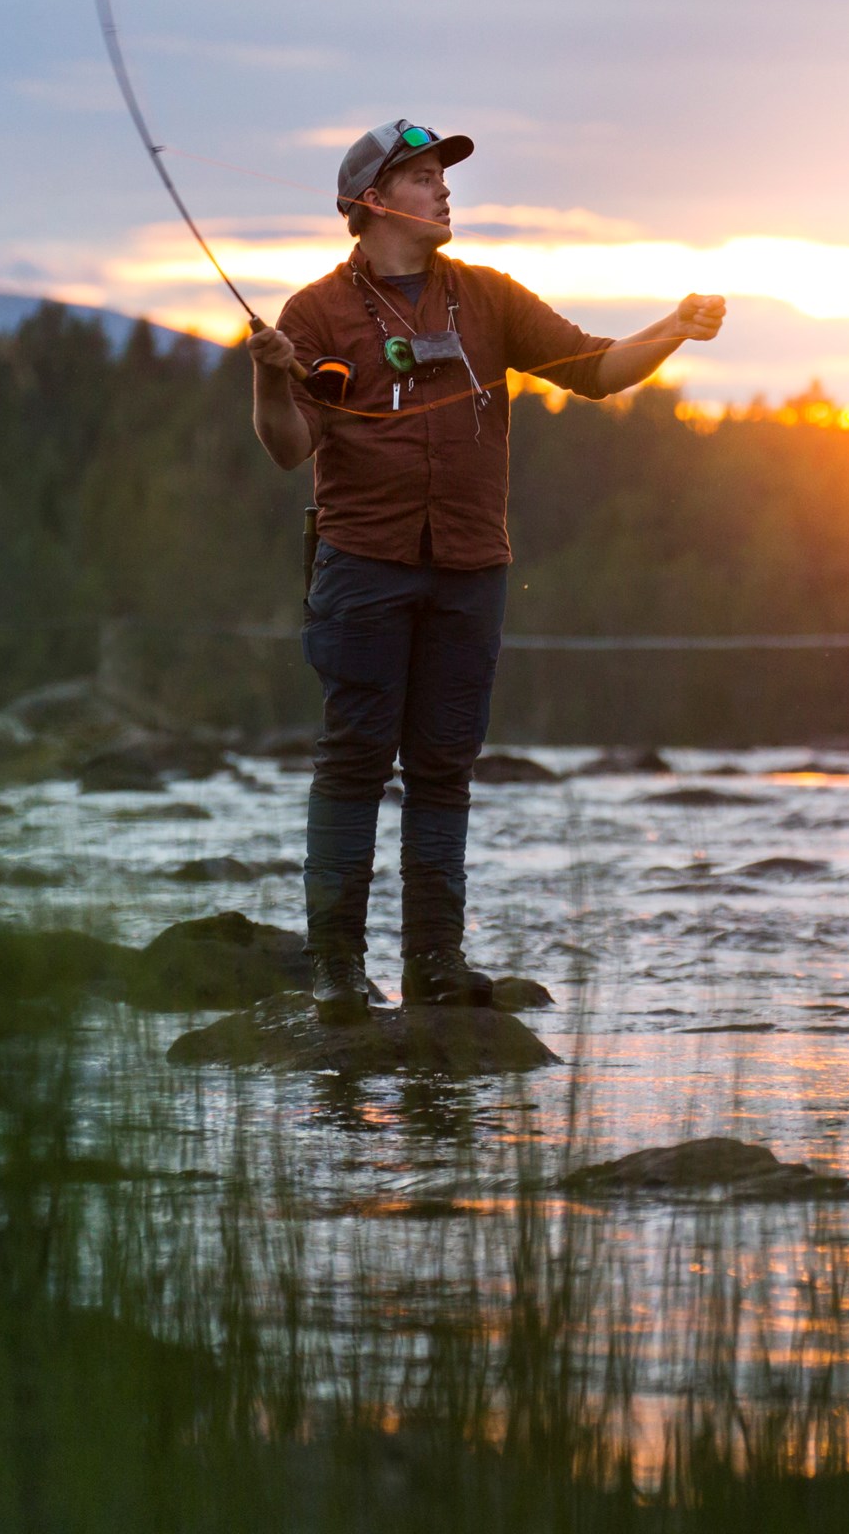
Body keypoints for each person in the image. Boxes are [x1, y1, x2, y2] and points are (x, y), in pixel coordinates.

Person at [245, 120, 727, 1024]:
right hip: (362, 566)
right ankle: (336, 971)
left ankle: (434, 961)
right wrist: (271, 378)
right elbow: (287, 450)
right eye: (425, 177)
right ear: (374, 202)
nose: (444, 190)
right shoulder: (314, 315)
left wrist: (676, 328)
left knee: (445, 767)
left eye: (442, 176)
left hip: (471, 566)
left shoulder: (490, 298)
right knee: (354, 762)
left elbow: (596, 371)